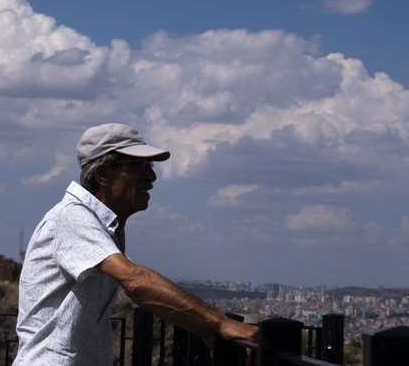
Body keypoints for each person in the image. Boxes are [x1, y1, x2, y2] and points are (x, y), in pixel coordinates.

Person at [14, 123, 258, 365]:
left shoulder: (103, 226)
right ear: (102, 174)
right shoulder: (73, 217)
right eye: (138, 165)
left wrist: (203, 327)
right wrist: (221, 323)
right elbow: (136, 281)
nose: (151, 175)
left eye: (149, 165)